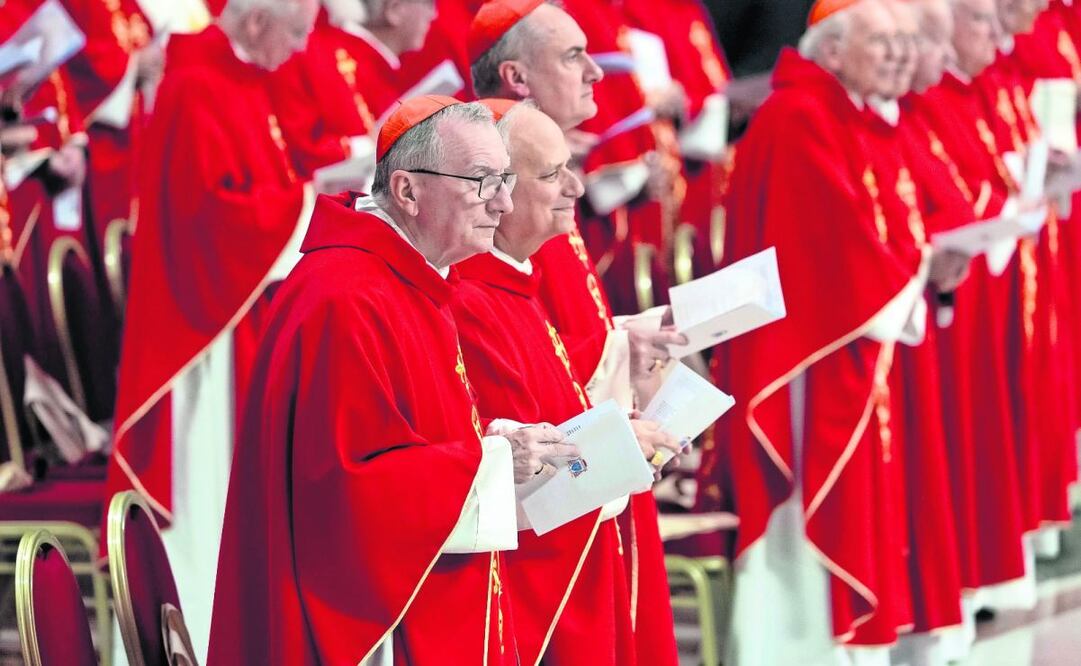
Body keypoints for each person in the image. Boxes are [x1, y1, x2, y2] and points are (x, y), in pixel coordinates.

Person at [209, 95, 559, 665]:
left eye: (504, 179)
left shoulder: (410, 280)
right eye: (479, 181)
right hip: (366, 625)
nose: (502, 202)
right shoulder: (347, 297)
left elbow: (405, 437)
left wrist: (499, 443)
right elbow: (348, 491)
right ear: (406, 191)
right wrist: (490, 460)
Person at [713, 1, 932, 663]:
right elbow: (832, 249)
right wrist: (911, 277)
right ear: (831, 51)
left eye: (905, 42)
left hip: (847, 339)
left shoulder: (847, 115)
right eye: (882, 41)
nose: (899, 54)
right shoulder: (799, 116)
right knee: (810, 506)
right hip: (806, 355)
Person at [468, 3, 687, 661]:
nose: (595, 72)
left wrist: (626, 342)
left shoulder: (545, 181)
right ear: (516, 76)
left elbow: (562, 340)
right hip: (554, 503)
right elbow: (522, 372)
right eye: (572, 57)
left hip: (596, 471)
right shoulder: (500, 204)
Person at [103, 0, 320, 659]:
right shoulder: (198, 87)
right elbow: (210, 220)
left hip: (238, 312)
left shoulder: (237, 82)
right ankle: (194, 638)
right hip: (204, 335)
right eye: (296, 33)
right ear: (257, 24)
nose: (301, 49)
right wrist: (308, 202)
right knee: (206, 488)